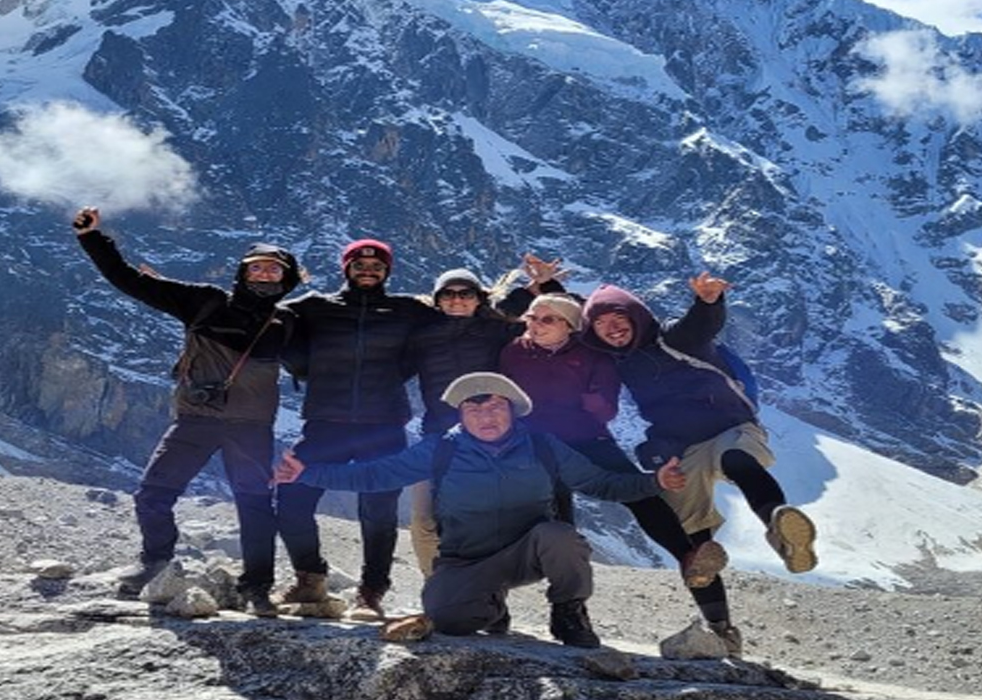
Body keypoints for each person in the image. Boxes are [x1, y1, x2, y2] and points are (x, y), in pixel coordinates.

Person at [272, 372, 688, 647]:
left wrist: (654, 482)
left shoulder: (543, 445)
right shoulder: (443, 449)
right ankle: (492, 606)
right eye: (474, 409)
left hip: (530, 551)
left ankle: (568, 613)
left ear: (512, 410)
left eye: (494, 408)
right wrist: (307, 473)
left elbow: (600, 482)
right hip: (465, 560)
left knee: (561, 537)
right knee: (447, 619)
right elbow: (376, 475)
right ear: (461, 415)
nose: (485, 416)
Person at [72, 206, 301, 616]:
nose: (265, 274)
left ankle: (258, 586)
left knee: (255, 506)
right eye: (258, 268)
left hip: (251, 428)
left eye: (274, 270)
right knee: (153, 494)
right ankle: (155, 563)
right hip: (198, 419)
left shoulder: (291, 322)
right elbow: (131, 281)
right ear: (243, 273)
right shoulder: (207, 302)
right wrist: (93, 238)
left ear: (287, 278)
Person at [580, 274, 817, 652]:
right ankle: (720, 629)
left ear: (637, 317)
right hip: (683, 448)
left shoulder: (673, 339)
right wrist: (544, 287)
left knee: (736, 458)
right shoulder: (619, 362)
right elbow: (563, 318)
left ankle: (779, 527)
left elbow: (701, 325)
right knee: (695, 546)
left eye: (618, 318)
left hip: (730, 428)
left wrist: (709, 301)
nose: (611, 327)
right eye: (600, 323)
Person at [498, 293, 735, 637]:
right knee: (561, 528)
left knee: (645, 497)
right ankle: (569, 615)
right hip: (537, 448)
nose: (534, 326)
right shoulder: (513, 352)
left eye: (546, 319)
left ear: (568, 325)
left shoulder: (591, 352)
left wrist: (590, 400)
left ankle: (696, 572)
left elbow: (606, 409)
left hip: (589, 440)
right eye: (531, 318)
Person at [277, 239, 435, 620]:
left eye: (377, 267)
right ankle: (310, 577)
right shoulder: (314, 306)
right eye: (360, 265)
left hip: (383, 426)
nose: (369, 271)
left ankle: (371, 592)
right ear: (346, 267)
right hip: (325, 424)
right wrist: (300, 365)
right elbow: (265, 313)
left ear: (387, 272)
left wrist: (533, 294)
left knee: (378, 511)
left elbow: (463, 316)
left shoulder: (408, 310)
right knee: (291, 497)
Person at [404, 257, 564, 576]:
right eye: (448, 294)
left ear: (479, 298)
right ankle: (439, 595)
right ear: (437, 301)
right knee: (424, 521)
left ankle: (489, 600)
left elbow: (556, 323)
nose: (457, 300)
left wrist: (543, 285)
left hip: (493, 438)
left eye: (466, 293)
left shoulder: (498, 331)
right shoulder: (420, 334)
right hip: (437, 436)